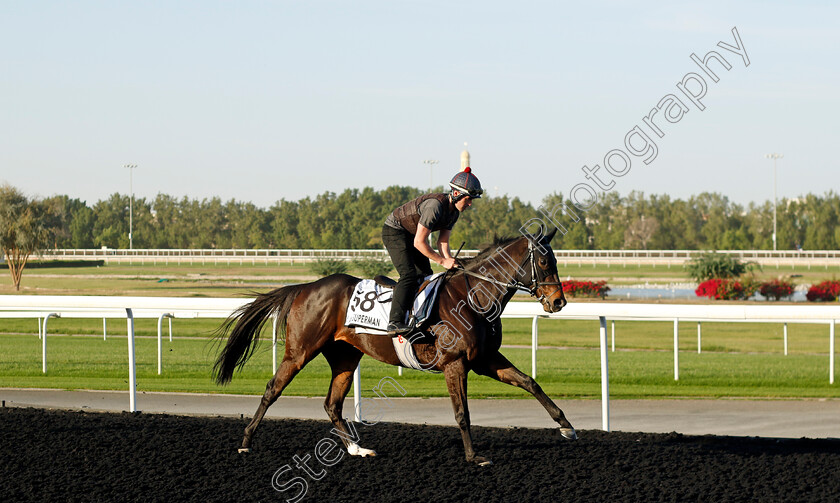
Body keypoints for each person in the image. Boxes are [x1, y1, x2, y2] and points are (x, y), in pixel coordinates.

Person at [381, 167, 483, 334]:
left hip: (412, 235)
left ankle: (416, 316)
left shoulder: (453, 213)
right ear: (457, 194)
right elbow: (419, 242)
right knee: (409, 275)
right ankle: (395, 322)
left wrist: (449, 262)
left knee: (426, 275)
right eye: (469, 199)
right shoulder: (435, 206)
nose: (471, 203)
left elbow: (442, 241)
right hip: (396, 231)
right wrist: (442, 261)